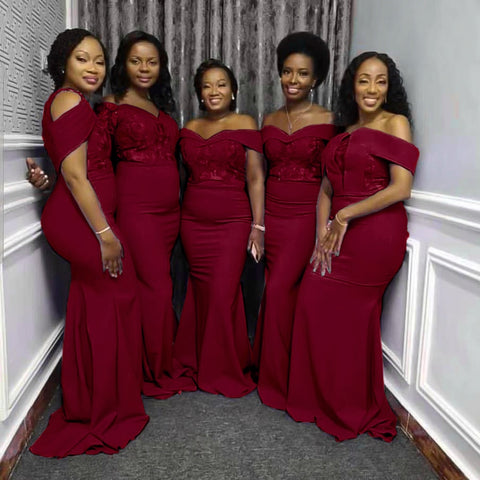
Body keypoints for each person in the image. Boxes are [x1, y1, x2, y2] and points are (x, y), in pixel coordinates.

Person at [286, 52, 419, 442]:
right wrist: (320, 234)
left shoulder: (396, 123)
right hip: (335, 233)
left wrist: (345, 216)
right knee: (311, 300)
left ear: (389, 89)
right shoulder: (343, 130)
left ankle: (348, 404)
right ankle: (319, 396)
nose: (372, 88)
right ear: (352, 86)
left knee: (350, 316)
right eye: (364, 80)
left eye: (380, 81)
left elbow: (401, 188)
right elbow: (326, 189)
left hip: (376, 232)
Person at [29, 29, 148, 457]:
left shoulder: (70, 101)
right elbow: (77, 177)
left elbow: (65, 169)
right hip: (84, 223)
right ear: (63, 62)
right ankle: (103, 407)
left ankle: (91, 398)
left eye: (99, 60)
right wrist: (106, 236)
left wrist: (44, 181)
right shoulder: (71, 101)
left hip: (81, 215)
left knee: (93, 302)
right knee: (115, 297)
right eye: (83, 59)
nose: (93, 68)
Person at [97, 31, 195, 398]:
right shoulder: (111, 105)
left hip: (170, 213)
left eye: (152, 62)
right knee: (157, 286)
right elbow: (93, 161)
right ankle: (155, 368)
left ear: (161, 67)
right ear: (123, 64)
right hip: (136, 209)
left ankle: (153, 358)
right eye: (136, 61)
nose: (144, 68)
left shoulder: (160, 107)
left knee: (156, 284)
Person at [253, 32, 337, 411]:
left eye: (302, 74)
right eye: (287, 71)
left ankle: (286, 381)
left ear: (315, 78)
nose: (293, 80)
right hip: (273, 214)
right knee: (277, 292)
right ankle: (275, 373)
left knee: (281, 291)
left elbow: (331, 180)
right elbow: (258, 173)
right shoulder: (269, 119)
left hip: (306, 216)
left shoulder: (329, 120)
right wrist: (258, 224)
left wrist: (325, 226)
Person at [172, 59, 265, 397]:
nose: (214, 91)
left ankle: (223, 368)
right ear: (199, 92)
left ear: (233, 91)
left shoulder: (245, 123)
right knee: (201, 291)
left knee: (223, 293)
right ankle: (197, 359)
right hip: (193, 222)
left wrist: (258, 225)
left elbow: (255, 177)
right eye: (207, 85)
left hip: (232, 222)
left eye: (221, 84)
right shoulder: (190, 127)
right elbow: (180, 178)